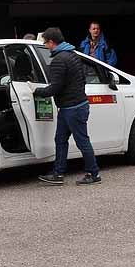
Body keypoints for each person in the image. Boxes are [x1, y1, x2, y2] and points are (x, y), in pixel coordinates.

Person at [33, 27, 101, 185]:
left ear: (51, 42)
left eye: (46, 43)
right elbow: (81, 79)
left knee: (81, 140)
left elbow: (55, 87)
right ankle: (58, 173)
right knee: (61, 139)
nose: (45, 46)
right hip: (76, 105)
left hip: (71, 108)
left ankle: (93, 173)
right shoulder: (73, 54)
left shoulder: (58, 60)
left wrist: (37, 91)